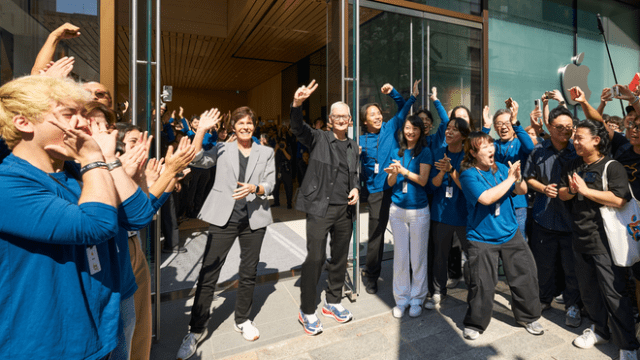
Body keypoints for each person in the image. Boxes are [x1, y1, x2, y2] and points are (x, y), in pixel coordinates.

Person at [0, 75, 119, 358]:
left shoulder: (74, 173)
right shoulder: (8, 183)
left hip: (96, 334)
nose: (82, 122)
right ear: (24, 122)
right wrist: (93, 158)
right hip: (44, 344)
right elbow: (97, 225)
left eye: (82, 113)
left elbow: (137, 214)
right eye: (68, 114)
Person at [176, 106, 276, 360]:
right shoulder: (222, 148)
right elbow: (197, 159)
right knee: (209, 272)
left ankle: (242, 319)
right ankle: (196, 329)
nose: (245, 126)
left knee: (249, 271)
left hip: (254, 220)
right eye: (240, 123)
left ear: (255, 126)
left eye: (249, 123)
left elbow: (270, 184)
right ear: (232, 127)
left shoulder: (265, 152)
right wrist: (199, 130)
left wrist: (256, 187)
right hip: (224, 219)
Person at [557, 119, 640, 360]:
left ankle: (628, 345)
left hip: (605, 240)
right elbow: (562, 193)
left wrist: (585, 191)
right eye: (574, 138)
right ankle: (599, 330)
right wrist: (572, 190)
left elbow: (620, 199)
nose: (575, 142)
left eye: (579, 138)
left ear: (596, 140)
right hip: (580, 237)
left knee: (614, 293)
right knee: (589, 291)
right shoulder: (573, 164)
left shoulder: (611, 166)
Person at [290, 80, 360, 336]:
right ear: (330, 119)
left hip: (345, 210)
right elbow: (297, 128)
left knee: (340, 258)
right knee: (316, 258)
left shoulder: (353, 145)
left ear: (350, 120)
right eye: (337, 116)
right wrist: (297, 103)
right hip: (320, 208)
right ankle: (307, 309)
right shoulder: (319, 137)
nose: (341, 119)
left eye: (345, 116)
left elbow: (354, 174)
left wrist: (356, 188)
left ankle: (333, 302)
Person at [458, 131, 543, 340]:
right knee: (482, 282)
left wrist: (518, 178)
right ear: (473, 152)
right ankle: (475, 322)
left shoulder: (503, 168)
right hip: (481, 237)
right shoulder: (468, 174)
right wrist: (510, 180)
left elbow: (521, 191)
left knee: (525, 275)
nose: (491, 149)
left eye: (491, 145)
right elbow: (486, 198)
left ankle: (529, 317)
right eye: (485, 147)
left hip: (510, 232)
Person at [523, 106, 582, 327]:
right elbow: (528, 178)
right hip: (543, 217)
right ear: (549, 127)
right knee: (543, 265)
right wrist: (543, 188)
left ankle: (573, 306)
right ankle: (544, 299)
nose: (565, 131)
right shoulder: (538, 151)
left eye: (569, 127)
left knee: (571, 267)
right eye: (560, 127)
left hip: (571, 220)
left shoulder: (577, 152)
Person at [359, 80, 418, 294]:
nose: (377, 116)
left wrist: (394, 92)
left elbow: (403, 107)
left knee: (406, 230)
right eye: (372, 114)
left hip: (398, 188)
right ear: (365, 121)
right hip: (377, 193)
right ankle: (372, 275)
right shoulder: (360, 141)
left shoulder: (390, 128)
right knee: (376, 235)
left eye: (378, 113)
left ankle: (411, 272)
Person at [384, 114, 432, 318]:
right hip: (397, 210)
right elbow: (390, 183)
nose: (410, 131)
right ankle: (401, 299)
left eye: (415, 128)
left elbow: (422, 180)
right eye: (407, 127)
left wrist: (403, 171)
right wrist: (393, 173)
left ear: (421, 131)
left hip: (418, 211)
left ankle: (417, 299)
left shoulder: (426, 152)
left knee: (418, 258)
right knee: (401, 257)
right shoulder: (397, 150)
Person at [425, 117, 470, 310]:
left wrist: (451, 170)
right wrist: (442, 172)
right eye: (448, 128)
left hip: (463, 215)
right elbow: (431, 185)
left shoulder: (469, 157)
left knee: (471, 254)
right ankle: (438, 291)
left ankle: (476, 292)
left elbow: (467, 187)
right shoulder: (437, 153)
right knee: (439, 255)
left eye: (455, 129)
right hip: (440, 213)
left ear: (464, 136)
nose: (449, 132)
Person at [483, 101, 534, 241]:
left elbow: (530, 147)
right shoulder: (493, 144)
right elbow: (477, 148)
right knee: (496, 241)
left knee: (518, 244)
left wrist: (515, 122)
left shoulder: (519, 144)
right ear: (495, 127)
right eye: (499, 124)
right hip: (496, 200)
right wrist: (486, 127)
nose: (504, 127)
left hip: (518, 203)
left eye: (507, 123)